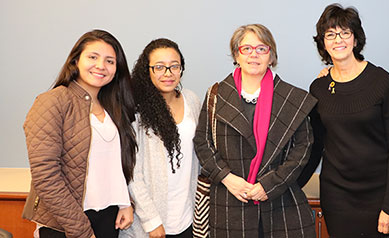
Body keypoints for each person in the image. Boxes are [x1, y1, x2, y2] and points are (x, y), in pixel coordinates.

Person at [193, 23, 317, 238]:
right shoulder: (217, 94)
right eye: (246, 49)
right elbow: (203, 143)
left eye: (262, 48)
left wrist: (268, 185)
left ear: (271, 56)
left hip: (281, 202)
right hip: (230, 201)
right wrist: (227, 178)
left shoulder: (293, 98)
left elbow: (303, 149)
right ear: (236, 55)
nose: (254, 55)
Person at [297, 4, 389, 237]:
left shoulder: (381, 81)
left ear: (356, 39)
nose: (338, 40)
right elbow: (315, 146)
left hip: (377, 194)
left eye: (345, 32)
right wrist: (293, 185)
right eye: (331, 34)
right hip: (337, 195)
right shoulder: (319, 88)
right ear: (323, 43)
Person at [22, 29, 136, 238]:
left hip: (108, 217)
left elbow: (114, 163)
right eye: (93, 57)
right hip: (65, 222)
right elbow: (45, 174)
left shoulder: (113, 107)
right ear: (75, 61)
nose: (101, 66)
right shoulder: (52, 101)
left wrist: (124, 202)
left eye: (110, 61)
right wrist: (81, 230)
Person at [120, 39, 201, 238]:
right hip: (147, 222)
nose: (168, 73)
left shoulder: (191, 99)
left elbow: (200, 155)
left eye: (174, 66)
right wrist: (151, 220)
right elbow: (131, 170)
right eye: (159, 67)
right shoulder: (135, 109)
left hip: (187, 217)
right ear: (147, 70)